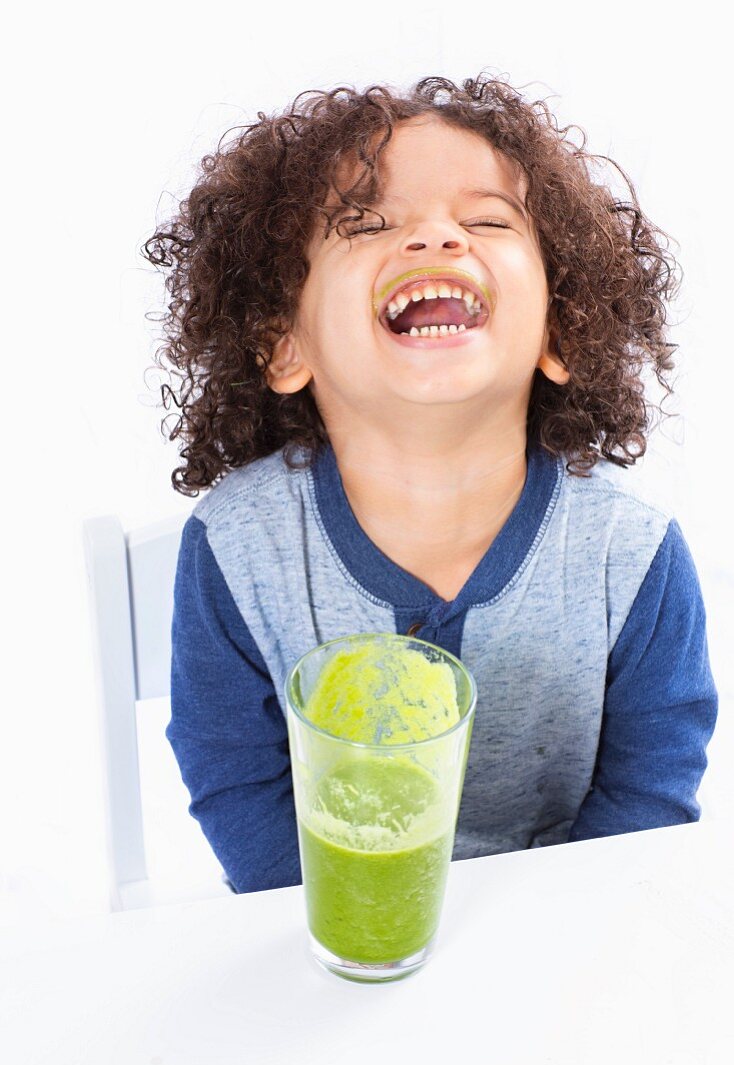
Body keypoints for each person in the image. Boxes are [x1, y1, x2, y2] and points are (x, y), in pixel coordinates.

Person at [143, 73, 719, 894]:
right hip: (334, 940)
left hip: (561, 935)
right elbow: (235, 778)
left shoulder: (632, 558)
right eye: (368, 223)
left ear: (559, 330)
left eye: (486, 219)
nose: (436, 237)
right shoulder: (237, 545)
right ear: (284, 344)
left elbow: (648, 791)